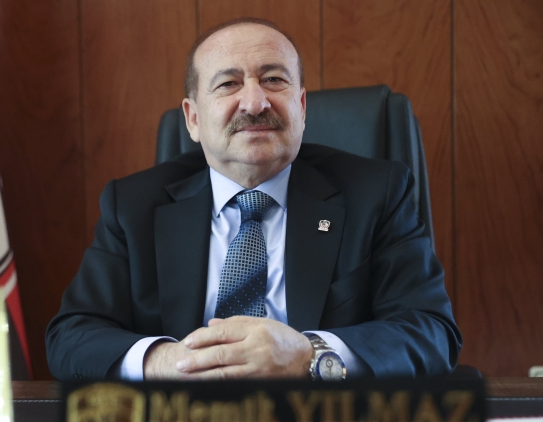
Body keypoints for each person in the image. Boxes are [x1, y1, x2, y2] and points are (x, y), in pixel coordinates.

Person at [46, 17, 461, 381]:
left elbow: (431, 333)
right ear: (193, 118)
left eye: (274, 79)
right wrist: (169, 363)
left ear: (301, 106)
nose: (255, 102)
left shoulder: (375, 193)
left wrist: (309, 355)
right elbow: (72, 336)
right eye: (228, 84)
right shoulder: (133, 206)